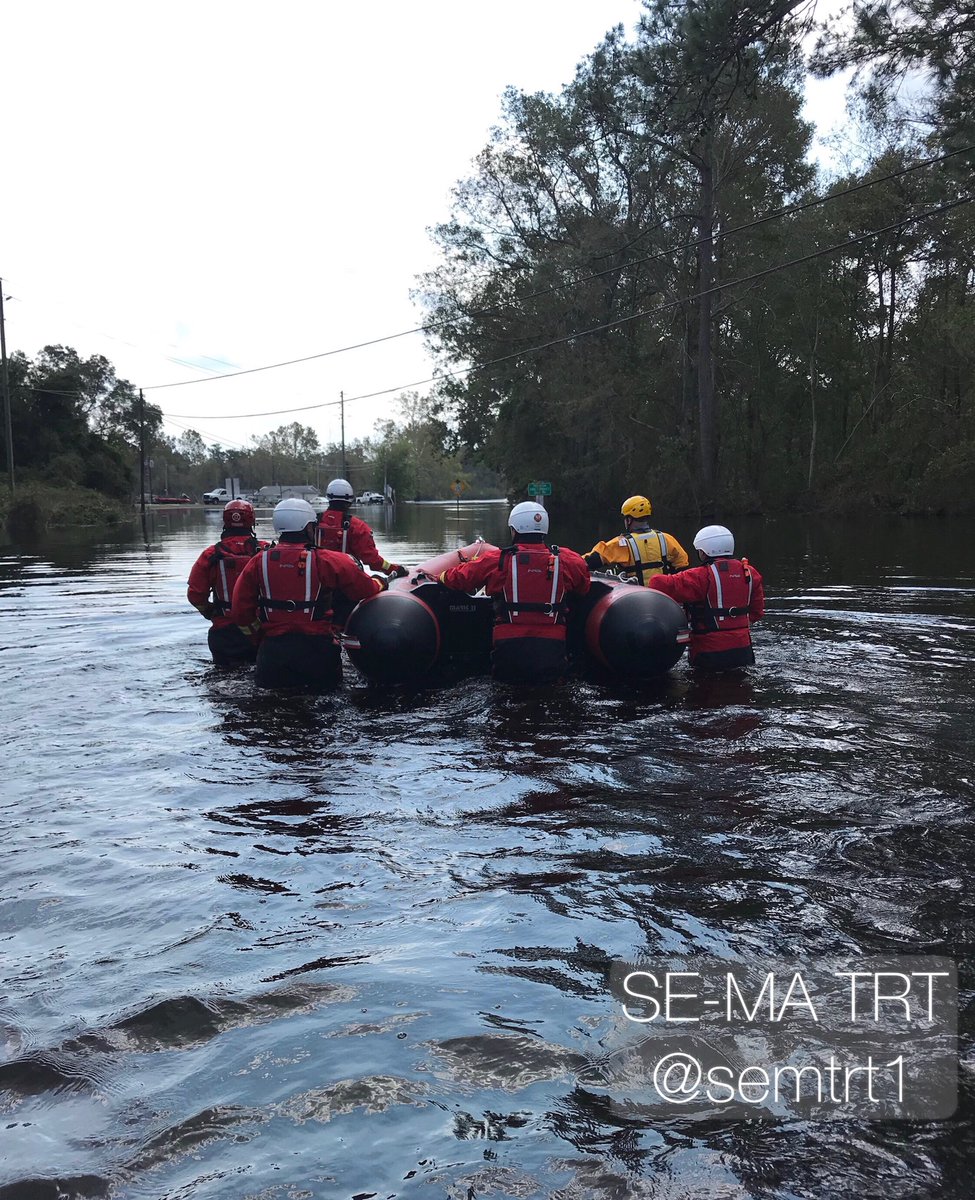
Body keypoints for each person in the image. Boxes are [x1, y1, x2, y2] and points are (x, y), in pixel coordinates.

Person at [231, 498, 385, 691]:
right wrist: (381, 582)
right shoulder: (328, 560)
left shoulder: (258, 562)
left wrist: (259, 637)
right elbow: (364, 589)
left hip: (273, 654)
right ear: (308, 528)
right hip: (317, 652)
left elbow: (240, 611)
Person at [434, 501, 590, 684]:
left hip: (509, 648)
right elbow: (584, 587)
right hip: (552, 648)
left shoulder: (498, 559)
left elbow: (460, 578)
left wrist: (440, 576)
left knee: (506, 694)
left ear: (514, 530)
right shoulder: (569, 560)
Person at [648, 524, 764, 671]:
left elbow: (657, 583)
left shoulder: (700, 575)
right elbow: (757, 613)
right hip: (743, 651)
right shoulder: (750, 573)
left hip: (709, 653)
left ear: (703, 552)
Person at [187, 499, 270, 666]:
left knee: (222, 681)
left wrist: (210, 612)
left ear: (225, 521)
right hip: (259, 631)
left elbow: (195, 595)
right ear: (252, 520)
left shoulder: (210, 554)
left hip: (224, 633)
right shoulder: (267, 552)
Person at [584, 495, 688, 583]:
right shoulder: (666, 539)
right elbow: (682, 563)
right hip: (663, 597)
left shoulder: (622, 543)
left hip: (635, 599)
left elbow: (591, 560)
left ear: (629, 520)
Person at [318, 478, 407, 577]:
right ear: (350, 500)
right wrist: (395, 569)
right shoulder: (357, 527)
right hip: (348, 582)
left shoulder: (312, 523)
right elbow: (373, 561)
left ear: (328, 498)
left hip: (318, 582)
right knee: (378, 581)